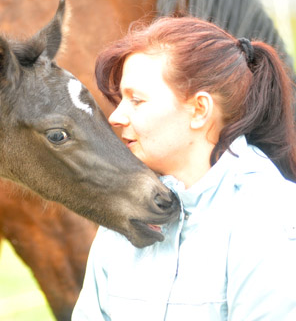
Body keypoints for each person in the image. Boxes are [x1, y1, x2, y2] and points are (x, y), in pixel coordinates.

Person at [72, 16, 296, 320]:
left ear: (199, 110)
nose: (116, 117)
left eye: (137, 100)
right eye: (121, 99)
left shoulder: (270, 217)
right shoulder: (123, 215)